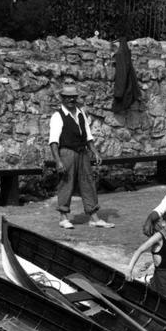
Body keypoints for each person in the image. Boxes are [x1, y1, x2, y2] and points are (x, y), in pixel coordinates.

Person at [49, 83, 113, 230]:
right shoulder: (57, 116)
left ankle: (93, 217)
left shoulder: (80, 113)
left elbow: (88, 136)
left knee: (88, 182)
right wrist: (58, 161)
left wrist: (95, 152)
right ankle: (63, 217)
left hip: (82, 152)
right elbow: (53, 141)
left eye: (73, 97)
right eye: (68, 97)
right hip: (66, 152)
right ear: (62, 98)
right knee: (66, 183)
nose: (71, 100)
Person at [127, 208, 166, 305]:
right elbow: (140, 250)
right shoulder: (158, 237)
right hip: (163, 276)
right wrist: (129, 270)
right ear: (163, 223)